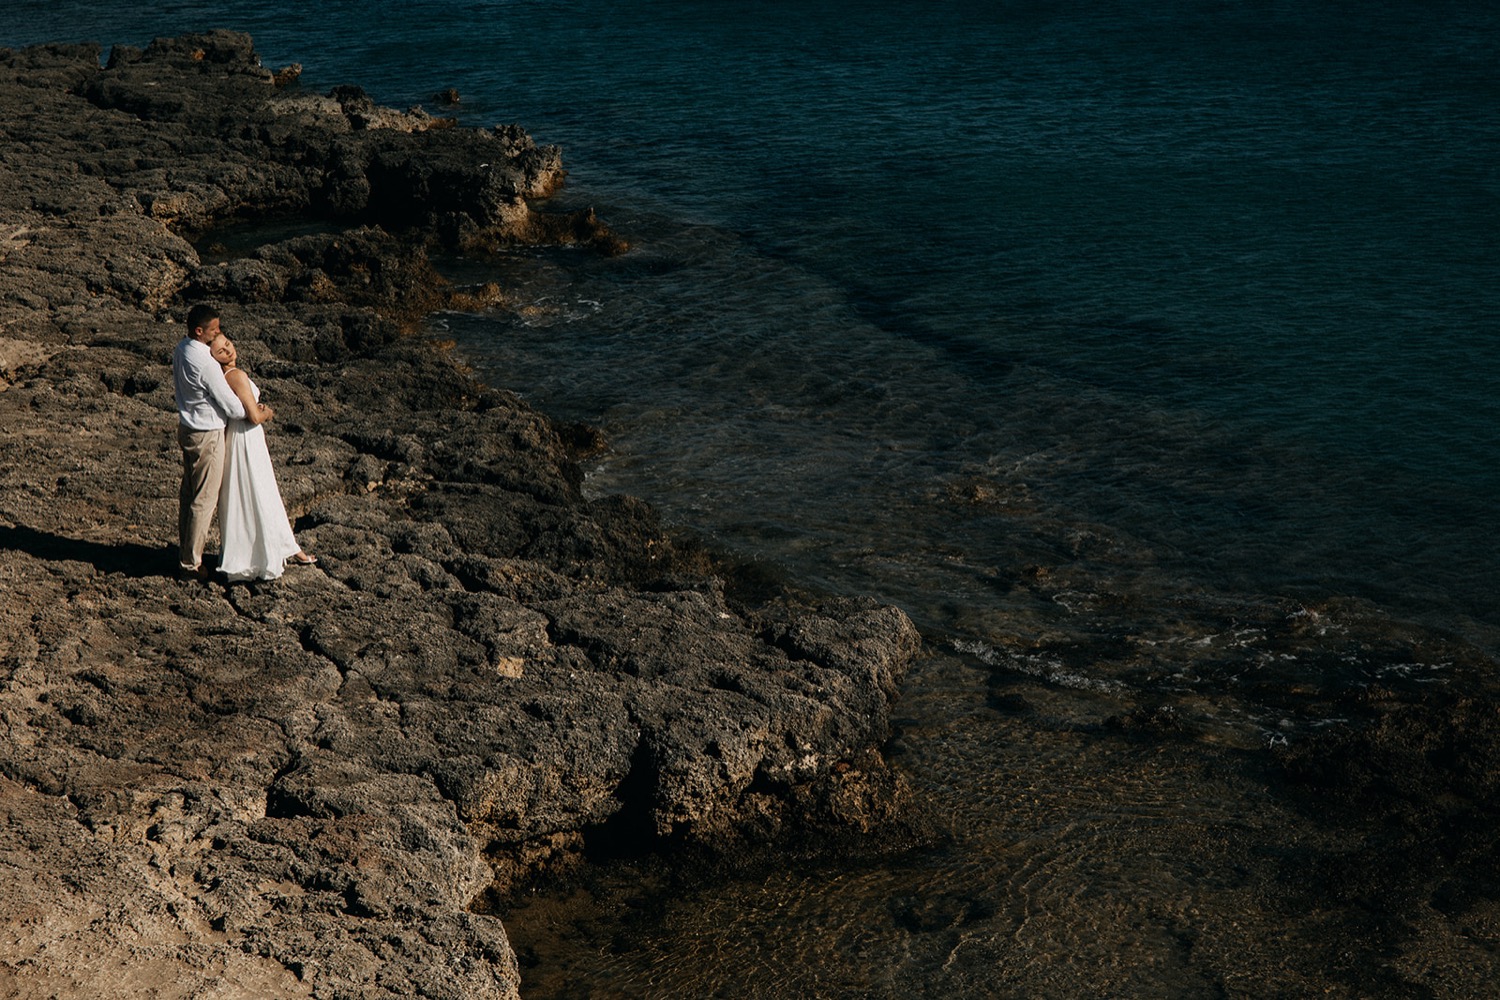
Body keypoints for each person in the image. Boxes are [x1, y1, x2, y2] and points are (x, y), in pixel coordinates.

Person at [209, 332, 317, 581]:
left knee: (248, 493)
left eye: (228, 344)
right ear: (214, 357)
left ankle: (270, 550)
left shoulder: (222, 377)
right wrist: (268, 412)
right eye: (221, 350)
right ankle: (277, 551)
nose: (228, 350)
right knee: (261, 492)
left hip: (237, 437)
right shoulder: (236, 375)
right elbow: (254, 417)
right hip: (247, 438)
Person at [174, 304, 246, 580]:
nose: (219, 333)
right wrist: (255, 410)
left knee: (189, 495)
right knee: (204, 500)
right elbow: (234, 408)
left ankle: (186, 552)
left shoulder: (182, 349)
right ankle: (191, 564)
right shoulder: (205, 361)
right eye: (213, 330)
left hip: (188, 428)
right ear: (199, 331)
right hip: (207, 434)